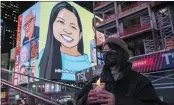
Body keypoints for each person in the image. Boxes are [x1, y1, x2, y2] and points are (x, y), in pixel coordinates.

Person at [76, 37, 163, 105]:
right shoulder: (96, 81)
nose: (107, 54)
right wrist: (86, 100)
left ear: (123, 53)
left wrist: (118, 102)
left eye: (112, 51)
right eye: (104, 52)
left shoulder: (140, 81)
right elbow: (77, 101)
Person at [39, 2, 90, 80]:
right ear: (52, 25)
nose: (67, 30)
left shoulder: (86, 63)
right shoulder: (44, 54)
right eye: (61, 22)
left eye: (73, 27)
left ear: (80, 34)